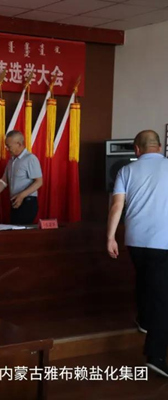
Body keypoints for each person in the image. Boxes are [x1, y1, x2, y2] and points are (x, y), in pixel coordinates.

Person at [107, 129, 168, 378]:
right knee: (162, 298)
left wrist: (110, 237)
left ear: (137, 149)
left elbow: (117, 206)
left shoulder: (126, 170)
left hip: (134, 240)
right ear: (160, 146)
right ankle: (156, 356)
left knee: (144, 278)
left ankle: (144, 320)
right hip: (163, 241)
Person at [0, 130, 43, 225]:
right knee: (14, 229)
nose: (7, 149)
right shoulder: (11, 161)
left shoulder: (30, 159)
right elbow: (4, 181)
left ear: (19, 144)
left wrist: (21, 196)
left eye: (9, 146)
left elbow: (39, 182)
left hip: (27, 202)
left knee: (21, 231)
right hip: (15, 202)